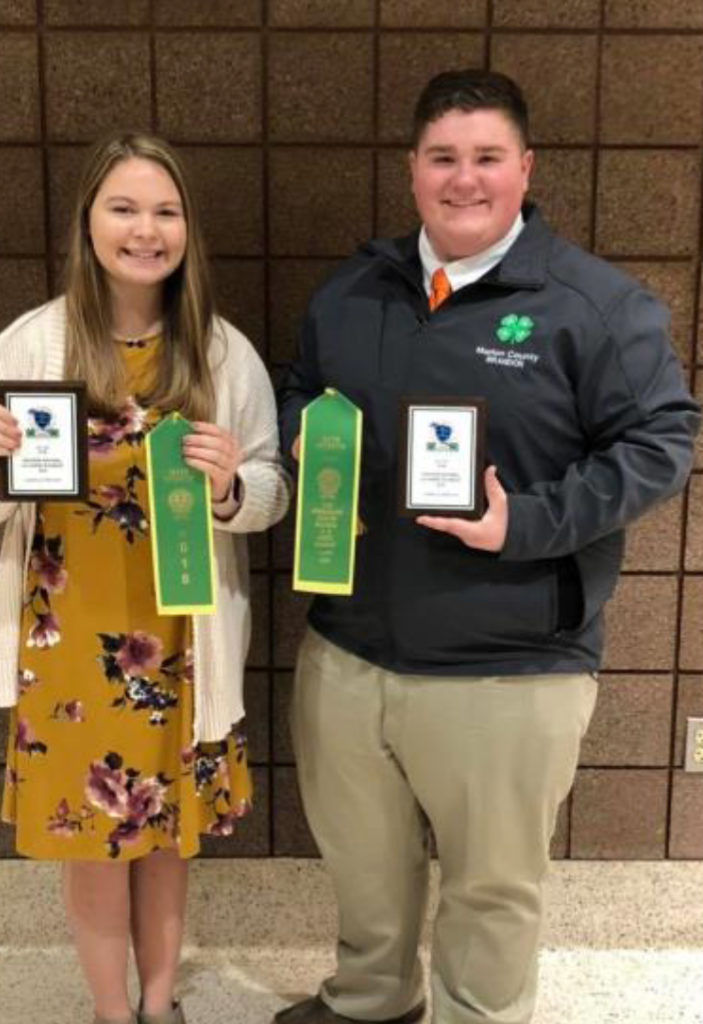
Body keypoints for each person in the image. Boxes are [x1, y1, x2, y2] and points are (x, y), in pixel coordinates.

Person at [275, 70, 700, 1024]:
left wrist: (529, 522)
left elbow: (661, 442)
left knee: (491, 893)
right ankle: (373, 999)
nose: (463, 179)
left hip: (507, 663)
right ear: (411, 168)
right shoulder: (354, 289)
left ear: (525, 168)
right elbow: (299, 384)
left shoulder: (592, 304)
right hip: (348, 645)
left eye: (486, 158)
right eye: (442, 158)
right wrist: (306, 426)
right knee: (363, 868)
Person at [0, 132, 290, 1024]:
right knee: (91, 844)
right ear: (88, 223)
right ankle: (108, 1013)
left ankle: (161, 1005)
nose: (146, 230)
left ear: (188, 230)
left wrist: (230, 490)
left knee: (168, 838)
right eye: (124, 208)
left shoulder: (219, 353)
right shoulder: (32, 343)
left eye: (165, 211)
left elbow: (273, 493)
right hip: (64, 645)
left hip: (182, 644)